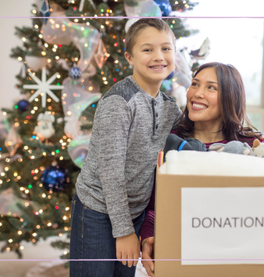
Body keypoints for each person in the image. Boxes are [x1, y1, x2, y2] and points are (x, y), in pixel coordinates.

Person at [69, 18, 182, 277]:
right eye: (147, 49)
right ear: (129, 57)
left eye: (166, 48)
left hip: (135, 210)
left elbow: (195, 137)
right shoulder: (119, 102)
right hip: (97, 210)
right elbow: (110, 175)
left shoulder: (169, 108)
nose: (158, 56)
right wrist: (124, 232)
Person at [140, 62, 263, 277]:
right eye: (195, 84)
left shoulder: (250, 146)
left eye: (211, 88)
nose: (197, 93)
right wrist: (148, 234)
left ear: (229, 97)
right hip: (178, 250)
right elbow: (154, 203)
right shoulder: (170, 140)